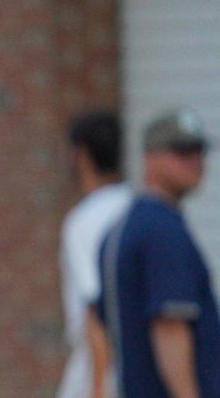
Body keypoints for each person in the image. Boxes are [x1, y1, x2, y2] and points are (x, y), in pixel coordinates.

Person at [95, 108, 220, 398]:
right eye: (182, 151)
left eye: (200, 151)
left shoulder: (123, 227)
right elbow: (170, 326)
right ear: (150, 158)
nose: (196, 161)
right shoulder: (161, 230)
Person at [58, 110, 131, 398]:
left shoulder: (84, 221)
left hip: (97, 371)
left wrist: (98, 389)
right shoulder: (135, 207)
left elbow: (97, 312)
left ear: (81, 154)